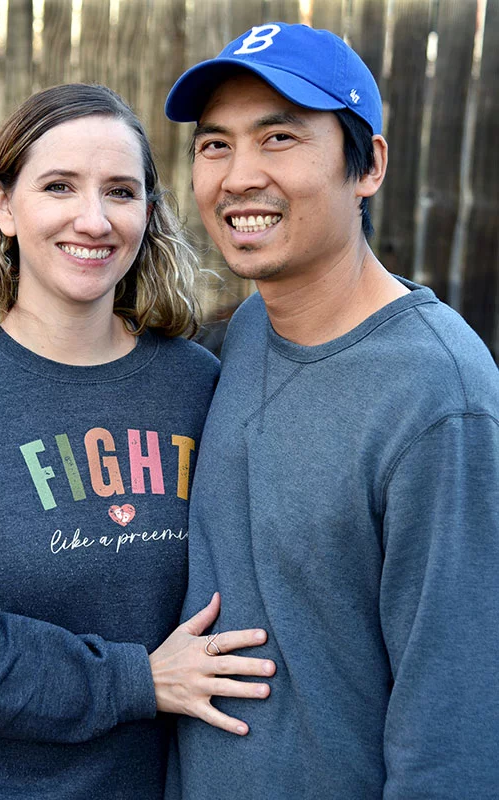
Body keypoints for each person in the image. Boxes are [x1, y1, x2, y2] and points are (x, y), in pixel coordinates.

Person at [0, 83, 276, 800]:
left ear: (149, 213)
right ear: (4, 205)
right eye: (60, 186)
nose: (93, 220)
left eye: (121, 192)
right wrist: (136, 680)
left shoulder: (198, 386)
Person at [164, 22, 499, 799]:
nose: (239, 176)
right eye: (215, 145)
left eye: (279, 138)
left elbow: (456, 733)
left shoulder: (439, 401)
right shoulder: (248, 331)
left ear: (368, 165)